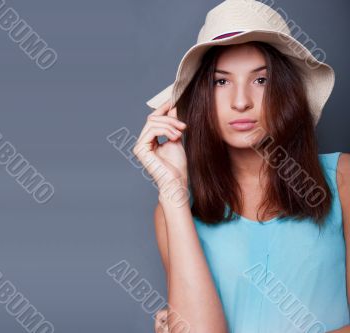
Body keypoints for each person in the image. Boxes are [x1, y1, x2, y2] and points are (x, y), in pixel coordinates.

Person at [133, 1, 350, 332]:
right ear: (201, 97)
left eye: (260, 80)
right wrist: (173, 190)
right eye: (221, 82)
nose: (240, 101)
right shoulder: (174, 210)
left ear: (287, 91)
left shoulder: (343, 179)